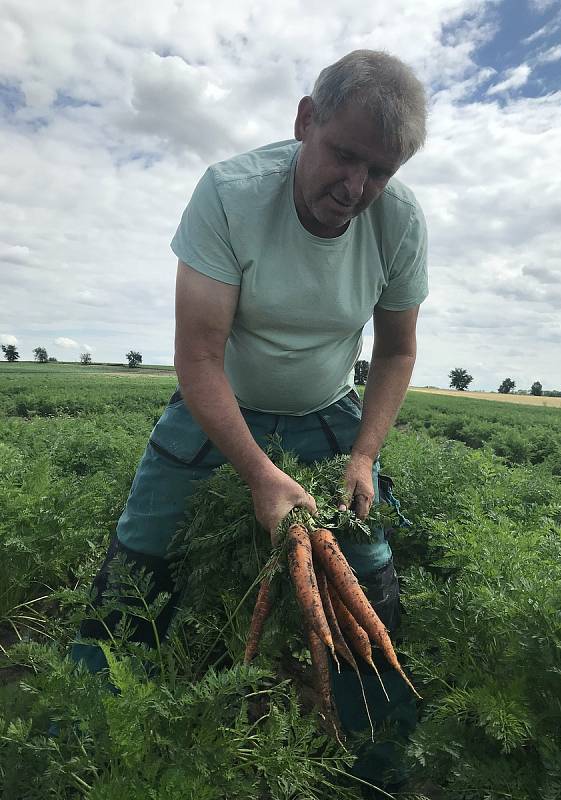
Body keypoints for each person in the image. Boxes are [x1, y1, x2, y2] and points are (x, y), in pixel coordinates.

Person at [72, 49, 428, 794]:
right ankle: (76, 734)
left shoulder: (398, 222)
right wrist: (261, 476)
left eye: (381, 171)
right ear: (305, 121)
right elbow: (198, 358)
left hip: (328, 413)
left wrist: (364, 455)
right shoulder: (230, 194)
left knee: (368, 573)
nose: (356, 187)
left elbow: (396, 351)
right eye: (344, 155)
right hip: (218, 405)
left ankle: (377, 760)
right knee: (138, 563)